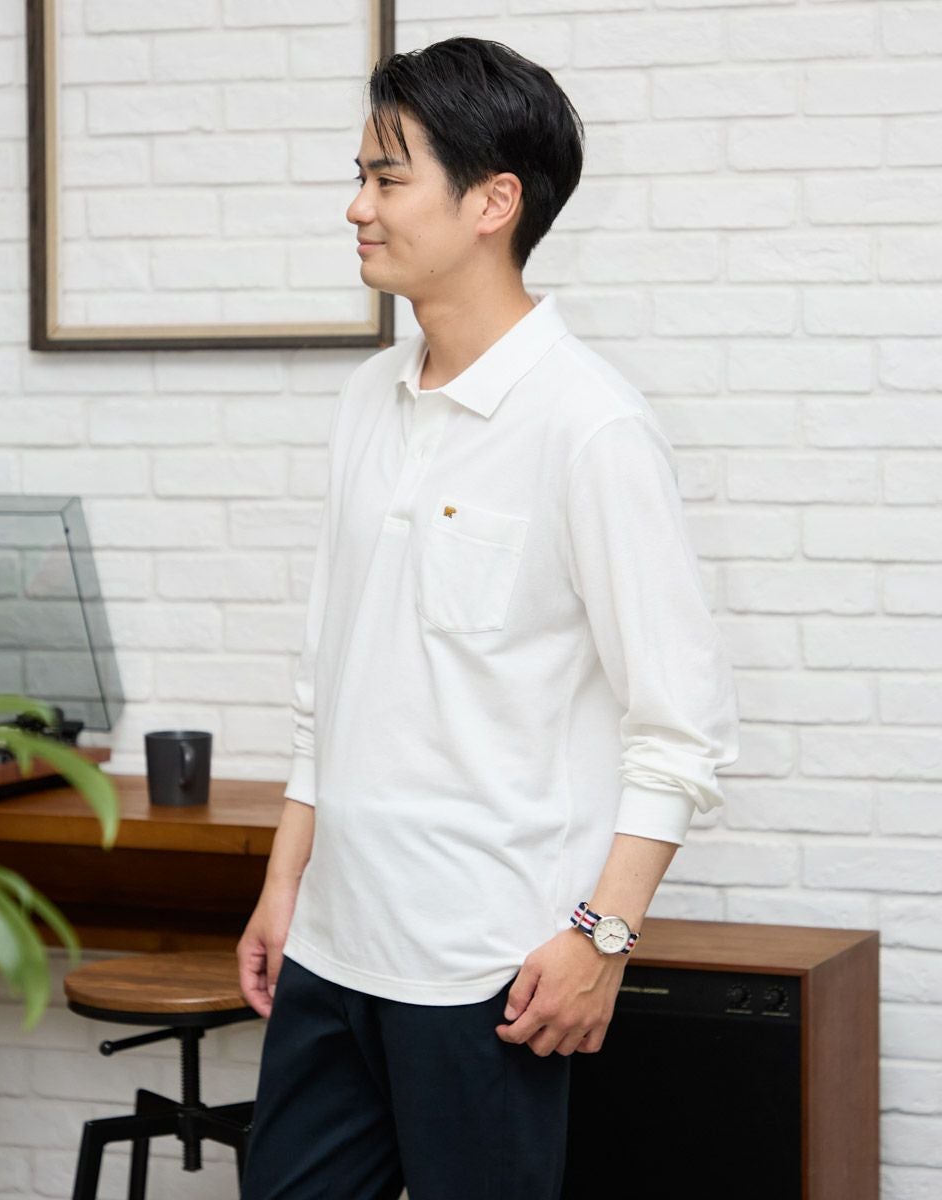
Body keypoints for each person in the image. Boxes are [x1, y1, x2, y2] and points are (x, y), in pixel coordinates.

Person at [237, 35, 739, 1200]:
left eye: (388, 177)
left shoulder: (591, 427)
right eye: (360, 175)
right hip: (331, 950)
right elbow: (330, 681)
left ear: (492, 203)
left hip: (488, 971)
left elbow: (680, 729)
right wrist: (284, 883)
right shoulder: (367, 400)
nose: (357, 206)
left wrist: (601, 941)